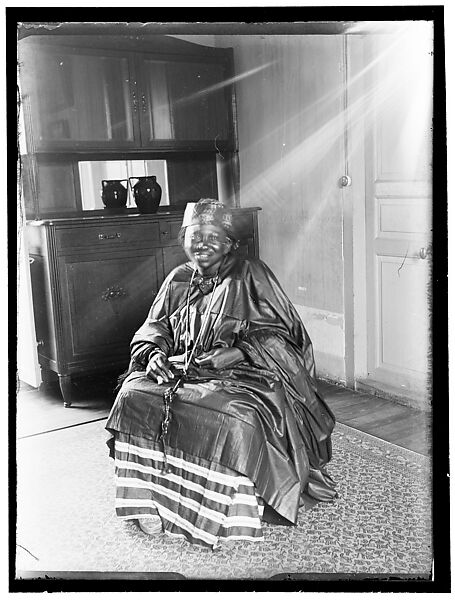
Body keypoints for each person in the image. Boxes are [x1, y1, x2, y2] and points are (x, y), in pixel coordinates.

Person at [106, 198, 337, 549]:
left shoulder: (251, 274)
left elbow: (289, 336)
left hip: (248, 373)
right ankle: (151, 501)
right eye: (195, 236)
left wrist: (239, 352)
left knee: (231, 416)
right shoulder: (178, 278)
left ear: (230, 243)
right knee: (133, 394)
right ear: (183, 240)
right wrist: (152, 354)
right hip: (185, 369)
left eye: (213, 237)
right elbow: (154, 326)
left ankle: (223, 514)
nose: (202, 244)